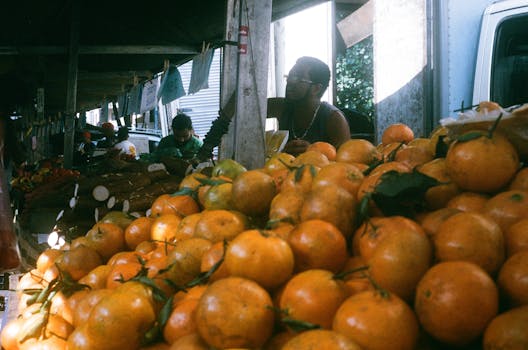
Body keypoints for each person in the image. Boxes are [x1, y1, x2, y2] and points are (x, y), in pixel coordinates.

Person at [267, 56, 351, 156]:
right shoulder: (281, 106)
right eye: (289, 76)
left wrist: (315, 151)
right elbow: (248, 109)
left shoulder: (334, 119)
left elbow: (346, 162)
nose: (290, 82)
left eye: (298, 78)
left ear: (316, 89)